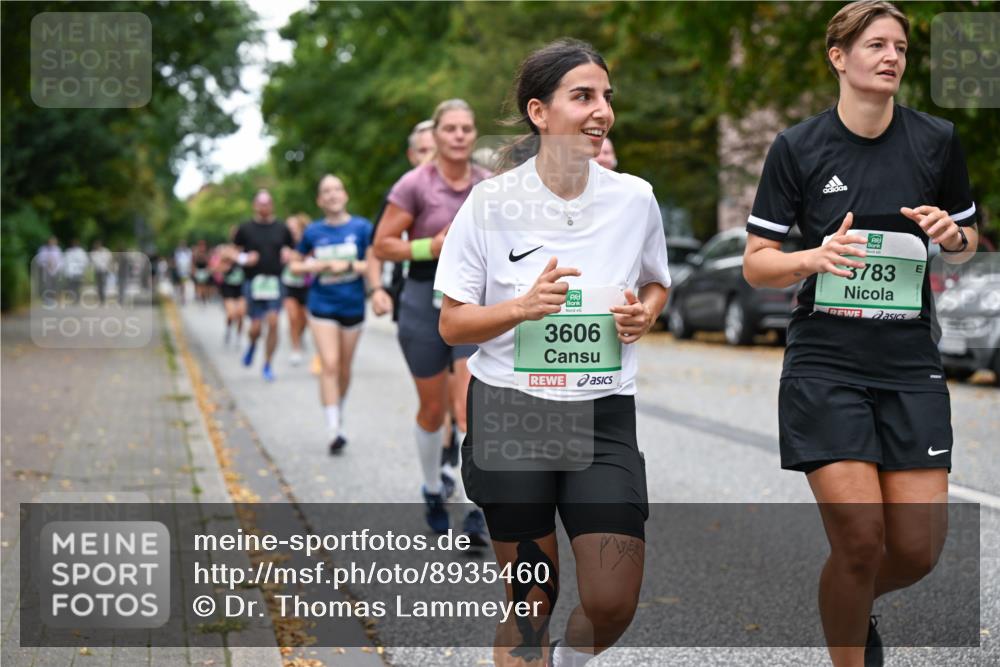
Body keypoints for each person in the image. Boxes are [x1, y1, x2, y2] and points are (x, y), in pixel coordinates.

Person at [742, 3, 980, 666]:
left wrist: (951, 236)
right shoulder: (798, 147)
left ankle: (848, 598)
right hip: (826, 365)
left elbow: (967, 245)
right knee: (858, 540)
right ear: (838, 56)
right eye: (876, 44)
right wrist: (812, 258)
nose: (892, 57)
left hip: (909, 366)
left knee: (916, 549)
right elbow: (757, 263)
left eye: (901, 47)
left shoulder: (936, 140)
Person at [436, 39, 670, 667]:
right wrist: (520, 307)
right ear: (539, 112)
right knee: (531, 604)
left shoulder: (634, 198)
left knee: (614, 598)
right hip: (512, 411)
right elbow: (453, 324)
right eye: (583, 97)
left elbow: (656, 281)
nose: (602, 111)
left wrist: (644, 313)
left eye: (606, 98)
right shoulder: (490, 203)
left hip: (601, 414)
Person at [374, 100, 491, 543]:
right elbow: (384, 245)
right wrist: (429, 248)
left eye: (466, 128)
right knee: (433, 409)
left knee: (469, 408)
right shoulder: (414, 185)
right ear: (437, 135)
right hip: (424, 297)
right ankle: (430, 489)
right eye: (450, 128)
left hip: (472, 301)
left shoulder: (489, 185)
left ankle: (475, 507)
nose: (459, 135)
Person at [289, 175, 389, 453]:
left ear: (344, 195)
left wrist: (346, 266)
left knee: (344, 368)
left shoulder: (361, 227)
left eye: (337, 189)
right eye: (326, 191)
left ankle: (338, 411)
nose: (332, 195)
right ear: (320, 201)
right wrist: (318, 266)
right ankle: (333, 429)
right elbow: (295, 267)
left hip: (352, 306)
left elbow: (372, 262)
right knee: (329, 364)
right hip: (322, 306)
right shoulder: (312, 232)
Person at [234, 190, 295, 382]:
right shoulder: (245, 228)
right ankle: (252, 344)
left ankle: (268, 363)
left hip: (275, 281)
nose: (264, 207)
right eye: (260, 203)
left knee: (274, 322)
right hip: (253, 282)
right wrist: (245, 258)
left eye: (267, 203)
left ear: (272, 205)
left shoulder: (282, 228)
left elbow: (292, 249)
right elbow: (231, 253)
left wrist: (287, 253)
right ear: (255, 205)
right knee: (256, 328)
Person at [282, 214, 313, 366]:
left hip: (307, 286)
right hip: (289, 286)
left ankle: (299, 337)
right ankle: (295, 349)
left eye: (294, 228)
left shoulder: (309, 244)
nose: (291, 231)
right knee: (293, 318)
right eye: (289, 228)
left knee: (305, 319)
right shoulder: (283, 246)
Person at [217, 227, 247, 347]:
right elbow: (218, 268)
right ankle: (229, 329)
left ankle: (238, 336)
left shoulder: (247, 250)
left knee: (241, 314)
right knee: (231, 313)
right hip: (228, 286)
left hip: (242, 286)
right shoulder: (226, 250)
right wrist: (228, 263)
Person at [36, 237, 63, 305]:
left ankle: (53, 298)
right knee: (47, 285)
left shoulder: (57, 249)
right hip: (46, 271)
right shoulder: (43, 249)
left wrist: (56, 267)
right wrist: (47, 264)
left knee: (54, 285)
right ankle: (47, 299)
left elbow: (61, 261)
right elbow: (39, 260)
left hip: (55, 271)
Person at [62, 239, 89, 305]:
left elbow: (85, 262)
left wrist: (84, 271)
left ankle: (77, 299)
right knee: (71, 287)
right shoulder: (68, 252)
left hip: (79, 272)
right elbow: (65, 262)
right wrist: (66, 272)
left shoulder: (81, 252)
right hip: (71, 273)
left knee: (78, 286)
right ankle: (73, 299)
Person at [89, 240, 113, 305]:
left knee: (103, 285)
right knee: (98, 286)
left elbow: (109, 260)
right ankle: (100, 299)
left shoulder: (106, 251)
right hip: (97, 271)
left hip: (104, 271)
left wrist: (109, 268)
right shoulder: (93, 253)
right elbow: (92, 263)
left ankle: (103, 299)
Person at [192, 240, 213, 304]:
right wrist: (193, 270)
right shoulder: (196, 253)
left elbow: (209, 262)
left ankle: (205, 296)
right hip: (198, 270)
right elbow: (193, 263)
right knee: (199, 284)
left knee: (206, 284)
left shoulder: (207, 253)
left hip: (205, 270)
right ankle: (201, 296)